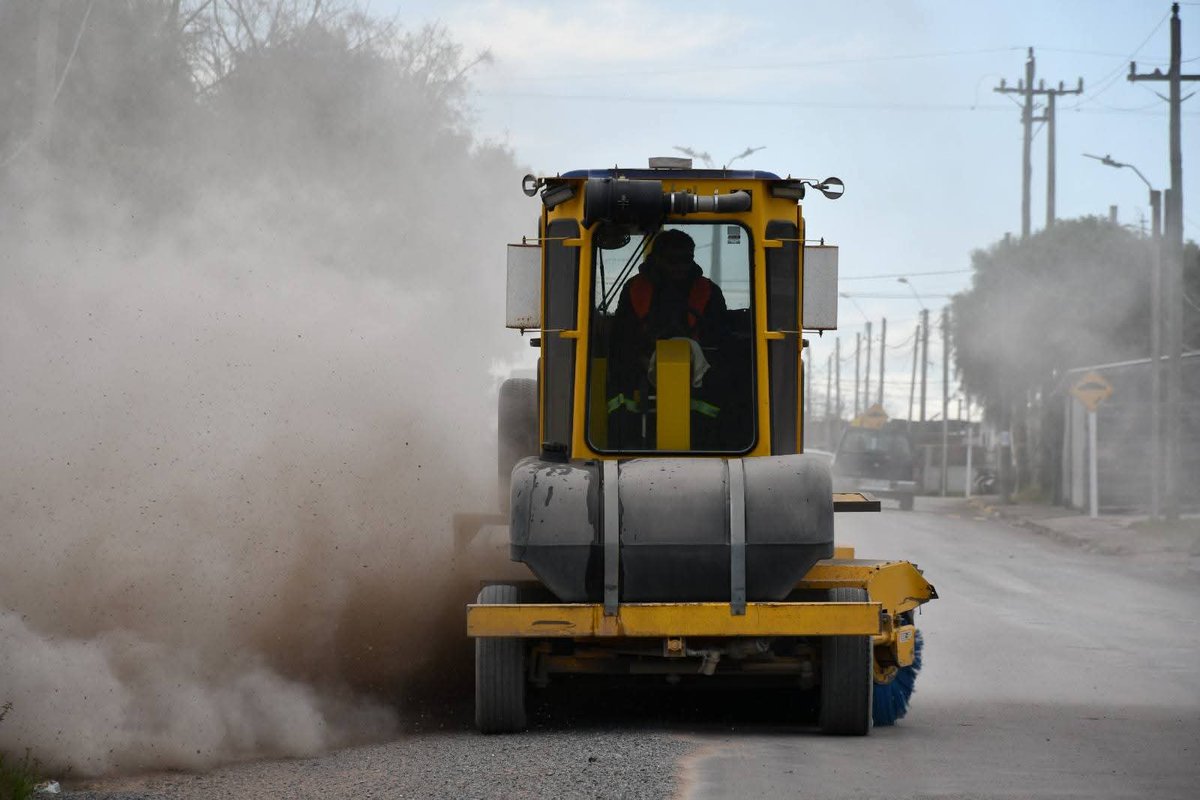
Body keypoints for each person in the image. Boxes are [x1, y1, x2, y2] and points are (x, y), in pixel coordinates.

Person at [606, 228, 728, 448]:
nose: (680, 265)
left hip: (701, 375)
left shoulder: (709, 291)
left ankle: (711, 445)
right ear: (658, 257)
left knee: (724, 380)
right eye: (673, 259)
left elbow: (721, 337)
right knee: (617, 380)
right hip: (639, 370)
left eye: (686, 259)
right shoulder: (634, 289)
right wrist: (642, 359)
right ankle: (621, 445)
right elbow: (621, 336)